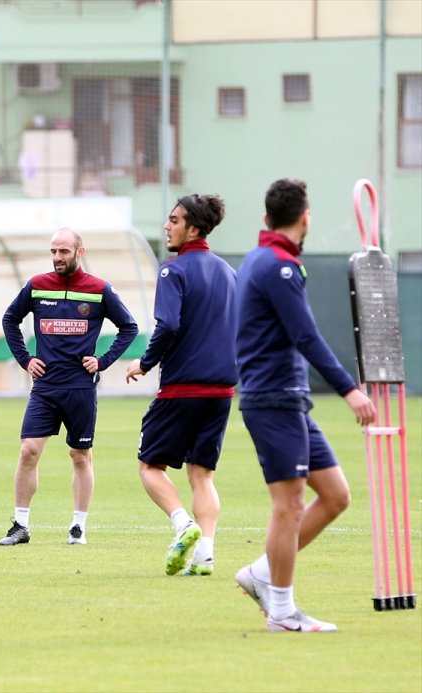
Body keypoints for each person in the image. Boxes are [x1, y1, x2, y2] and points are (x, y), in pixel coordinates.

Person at [234, 179, 375, 631]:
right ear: (305, 217)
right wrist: (349, 388)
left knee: (335, 496)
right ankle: (281, 610)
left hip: (286, 400)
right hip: (273, 399)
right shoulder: (279, 267)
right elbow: (306, 337)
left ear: (266, 218)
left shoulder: (264, 258)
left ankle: (260, 573)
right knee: (289, 504)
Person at [0, 227, 138, 546]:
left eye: (63, 251)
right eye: (53, 252)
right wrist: (25, 359)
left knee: (80, 455)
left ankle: (78, 527)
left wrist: (102, 361)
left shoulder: (99, 289)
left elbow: (129, 327)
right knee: (28, 450)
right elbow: (10, 319)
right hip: (45, 388)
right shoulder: (37, 286)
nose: (58, 258)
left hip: (80, 389)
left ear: (80, 252)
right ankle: (20, 525)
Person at [125, 194, 236, 577]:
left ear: (193, 228)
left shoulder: (173, 271)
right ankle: (205, 555)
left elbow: (168, 325)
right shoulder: (228, 272)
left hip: (181, 389)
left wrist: (144, 362)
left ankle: (183, 525)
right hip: (222, 392)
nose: (166, 226)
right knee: (201, 473)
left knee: (149, 465)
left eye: (174, 220)